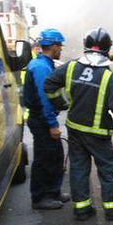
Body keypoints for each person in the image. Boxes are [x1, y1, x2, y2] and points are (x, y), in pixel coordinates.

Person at [44, 27, 113, 221]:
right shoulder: (107, 77)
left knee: (79, 169)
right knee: (108, 171)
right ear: (107, 49)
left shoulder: (70, 67)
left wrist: (61, 103)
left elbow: (49, 84)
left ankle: (82, 209)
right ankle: (112, 210)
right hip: (98, 135)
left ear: (85, 46)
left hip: (75, 130)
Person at [22, 28, 69, 210]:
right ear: (54, 46)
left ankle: (53, 192)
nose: (61, 50)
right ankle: (40, 197)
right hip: (41, 119)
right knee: (44, 159)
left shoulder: (43, 63)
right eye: (60, 46)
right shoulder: (41, 67)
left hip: (42, 117)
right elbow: (44, 97)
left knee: (55, 156)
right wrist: (52, 124)